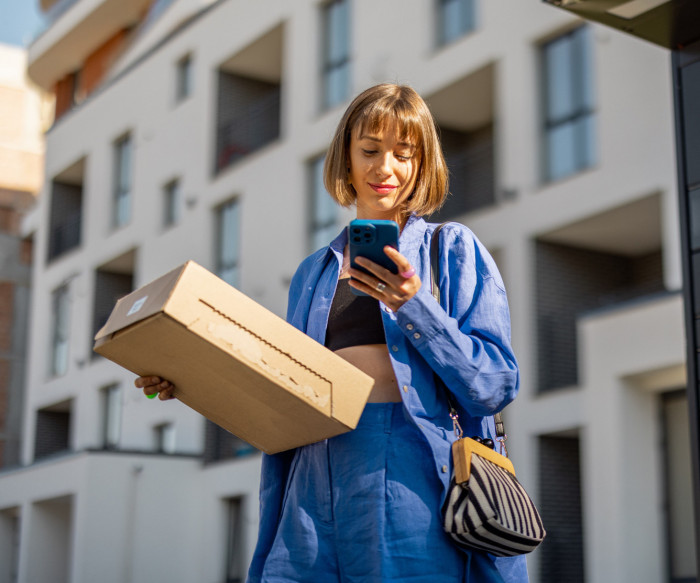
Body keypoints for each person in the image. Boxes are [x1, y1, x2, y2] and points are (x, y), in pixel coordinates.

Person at [136, 83, 528, 583]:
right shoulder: (312, 273)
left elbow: (494, 384)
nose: (385, 168)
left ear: (422, 164)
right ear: (345, 158)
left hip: (412, 478)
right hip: (309, 480)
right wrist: (188, 376)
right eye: (369, 150)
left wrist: (414, 304)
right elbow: (281, 391)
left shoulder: (451, 251)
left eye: (403, 154)